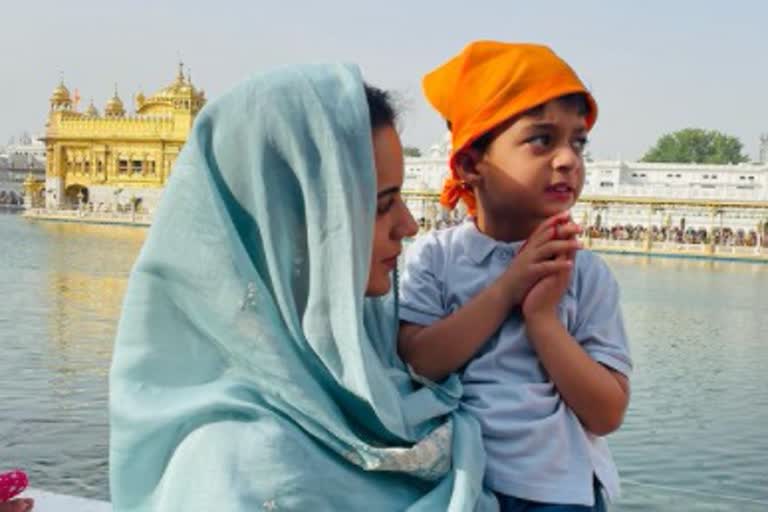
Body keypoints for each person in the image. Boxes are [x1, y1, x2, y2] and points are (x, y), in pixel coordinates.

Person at [109, 63, 498, 511]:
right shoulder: (236, 466)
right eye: (381, 205)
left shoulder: (382, 386)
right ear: (291, 227)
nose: (408, 226)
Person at [398, 41, 632, 511]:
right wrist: (507, 289)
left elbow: (607, 412)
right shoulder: (437, 258)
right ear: (469, 164)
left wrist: (544, 319)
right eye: (542, 139)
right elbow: (419, 360)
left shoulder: (583, 272)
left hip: (559, 494)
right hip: (459, 483)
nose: (568, 159)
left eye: (578, 142)